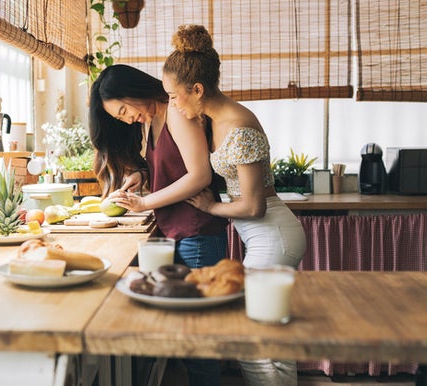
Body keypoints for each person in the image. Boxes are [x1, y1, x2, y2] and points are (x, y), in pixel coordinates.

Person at [162, 24, 307, 386]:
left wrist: (211, 207)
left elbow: (254, 206)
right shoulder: (213, 118)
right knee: (267, 336)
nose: (173, 104)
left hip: (273, 234)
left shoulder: (239, 126)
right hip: (261, 236)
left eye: (175, 96)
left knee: (252, 337)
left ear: (197, 90)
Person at [89, 64, 229, 385]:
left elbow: (199, 176)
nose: (126, 118)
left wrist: (143, 203)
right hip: (179, 234)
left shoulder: (176, 113)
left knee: (199, 342)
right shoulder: (151, 121)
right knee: (189, 338)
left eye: (124, 109)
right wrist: (141, 176)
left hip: (197, 234)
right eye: (119, 117)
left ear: (135, 90)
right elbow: (172, 169)